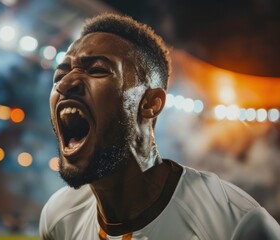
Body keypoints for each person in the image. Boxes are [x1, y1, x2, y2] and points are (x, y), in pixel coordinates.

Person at [39, 13, 280, 239]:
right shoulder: (58, 217)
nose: (65, 83)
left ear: (151, 103)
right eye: (60, 75)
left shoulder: (235, 223)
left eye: (98, 70)